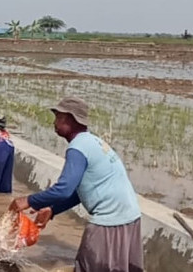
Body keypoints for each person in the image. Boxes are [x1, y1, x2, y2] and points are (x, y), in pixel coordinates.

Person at [10, 97, 142, 272]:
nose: (54, 123)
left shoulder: (78, 148)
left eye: (58, 118)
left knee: (88, 267)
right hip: (130, 218)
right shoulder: (93, 142)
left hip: (109, 221)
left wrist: (28, 200)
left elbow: (63, 189)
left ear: (70, 120)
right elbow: (81, 190)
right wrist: (53, 210)